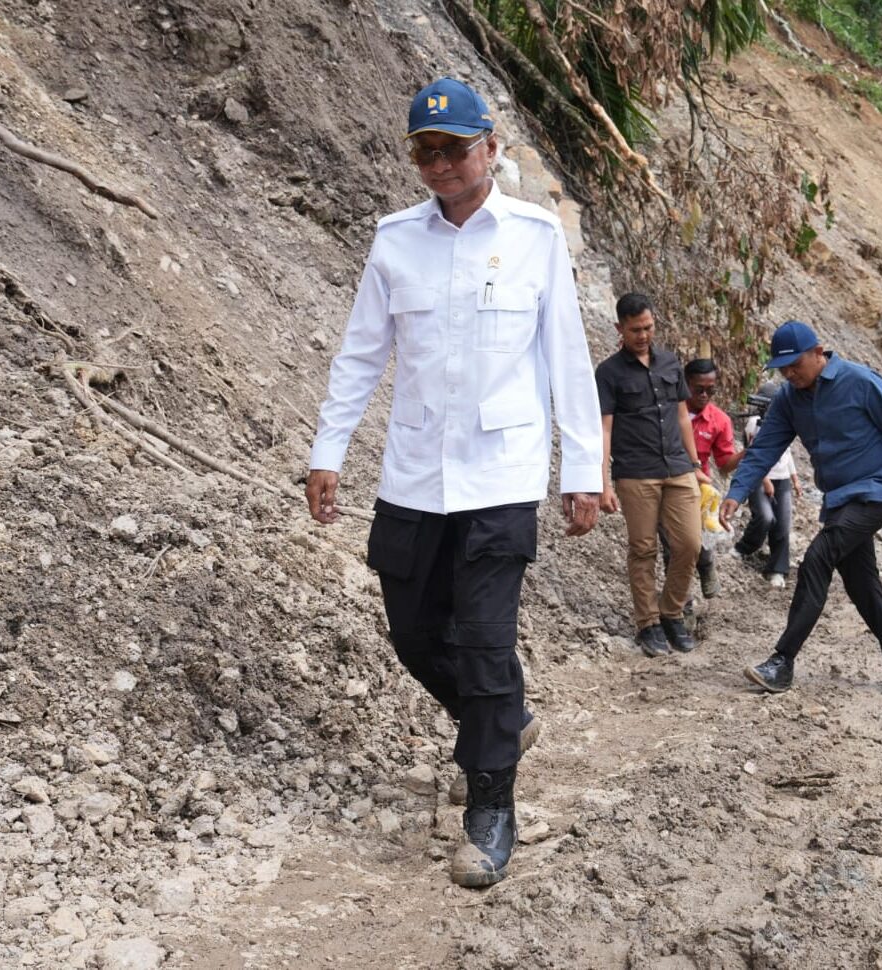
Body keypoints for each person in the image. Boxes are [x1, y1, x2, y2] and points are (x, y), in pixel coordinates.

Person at [304, 78, 603, 888]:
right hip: (412, 473)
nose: (438, 163)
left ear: (491, 149)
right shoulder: (395, 241)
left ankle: (490, 805)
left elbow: (566, 360)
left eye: (454, 148)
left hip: (500, 476)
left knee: (482, 637)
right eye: (425, 151)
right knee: (410, 633)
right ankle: (501, 718)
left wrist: (582, 472)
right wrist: (327, 451)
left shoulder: (537, 237)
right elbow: (362, 353)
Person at [719, 321, 882, 696]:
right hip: (838, 500)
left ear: (819, 352)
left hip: (876, 492)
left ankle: (782, 661)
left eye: (795, 364)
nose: (789, 373)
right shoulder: (789, 398)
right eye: (782, 367)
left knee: (818, 558)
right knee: (863, 586)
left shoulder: (861, 382)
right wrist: (736, 492)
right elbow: (764, 449)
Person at [596, 293, 704, 657]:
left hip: (677, 467)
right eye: (635, 330)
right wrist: (603, 482)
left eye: (649, 327)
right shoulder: (609, 373)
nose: (643, 335)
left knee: (690, 543)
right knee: (643, 549)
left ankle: (672, 611)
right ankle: (649, 623)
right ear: (620, 329)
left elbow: (681, 417)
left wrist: (695, 464)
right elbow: (605, 430)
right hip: (636, 473)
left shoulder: (671, 363)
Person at [681, 357, 742, 598]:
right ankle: (681, 606)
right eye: (699, 389)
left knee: (693, 542)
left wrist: (748, 451)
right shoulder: (670, 412)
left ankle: (705, 564)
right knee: (675, 548)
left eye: (711, 390)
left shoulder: (720, 421)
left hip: (698, 490)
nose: (705, 395)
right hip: (666, 482)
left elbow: (725, 464)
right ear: (685, 384)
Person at [734, 401, 801, 588]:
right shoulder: (754, 423)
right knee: (765, 517)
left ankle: (777, 569)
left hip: (783, 478)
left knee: (783, 524)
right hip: (759, 476)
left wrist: (795, 478)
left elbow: (786, 452)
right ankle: (744, 547)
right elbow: (753, 453)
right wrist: (765, 479)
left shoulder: (787, 419)